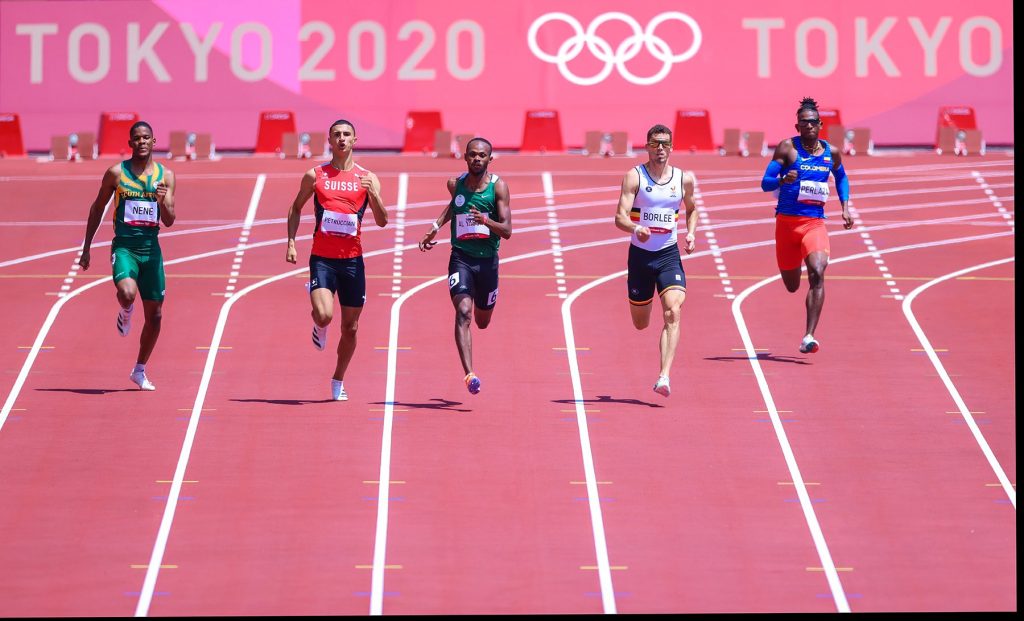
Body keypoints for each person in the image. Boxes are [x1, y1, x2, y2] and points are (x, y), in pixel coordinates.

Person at [286, 119, 388, 401]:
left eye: (346, 135)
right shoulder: (315, 175)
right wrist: (292, 242)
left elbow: (382, 221)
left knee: (351, 328)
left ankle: (338, 378)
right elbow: (295, 208)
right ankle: (319, 324)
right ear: (330, 141)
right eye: (336, 135)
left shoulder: (368, 177)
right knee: (325, 315)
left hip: (353, 261)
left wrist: (374, 193)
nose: (341, 139)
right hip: (323, 258)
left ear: (355, 140)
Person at [79, 121, 176, 391]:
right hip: (124, 247)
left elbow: (169, 220)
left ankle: (139, 370)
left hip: (151, 252)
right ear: (130, 143)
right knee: (128, 292)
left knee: (155, 317)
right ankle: (125, 311)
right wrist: (86, 247)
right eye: (137, 138)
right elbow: (97, 209)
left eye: (147, 137)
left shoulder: (166, 176)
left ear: (154, 142)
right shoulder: (115, 174)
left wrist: (161, 200)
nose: (142, 142)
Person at [417, 137, 511, 395]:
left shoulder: (499, 188)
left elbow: (507, 230)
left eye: (482, 155)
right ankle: (469, 374)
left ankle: (482, 311)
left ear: (489, 159)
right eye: (472, 154)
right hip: (461, 258)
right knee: (464, 312)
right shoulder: (455, 184)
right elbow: (455, 206)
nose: (477, 159)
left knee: (482, 321)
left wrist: (485, 220)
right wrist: (434, 228)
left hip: (488, 262)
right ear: (466, 157)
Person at [760, 97, 854, 354]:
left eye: (813, 122)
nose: (809, 126)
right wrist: (781, 179)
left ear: (820, 124)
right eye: (804, 122)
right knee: (792, 286)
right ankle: (798, 263)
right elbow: (765, 182)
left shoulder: (830, 152)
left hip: (814, 224)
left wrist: (845, 207)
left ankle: (809, 336)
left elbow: (842, 177)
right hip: (787, 225)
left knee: (818, 272)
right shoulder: (787, 149)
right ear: (798, 125)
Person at [613, 124, 697, 398]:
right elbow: (620, 216)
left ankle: (664, 377)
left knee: (673, 311)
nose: (660, 148)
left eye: (665, 144)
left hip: (668, 255)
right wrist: (635, 228)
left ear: (671, 147)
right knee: (641, 323)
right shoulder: (634, 177)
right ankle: (641, 307)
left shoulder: (683, 179)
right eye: (655, 143)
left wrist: (691, 233)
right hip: (639, 257)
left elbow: (692, 209)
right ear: (647, 146)